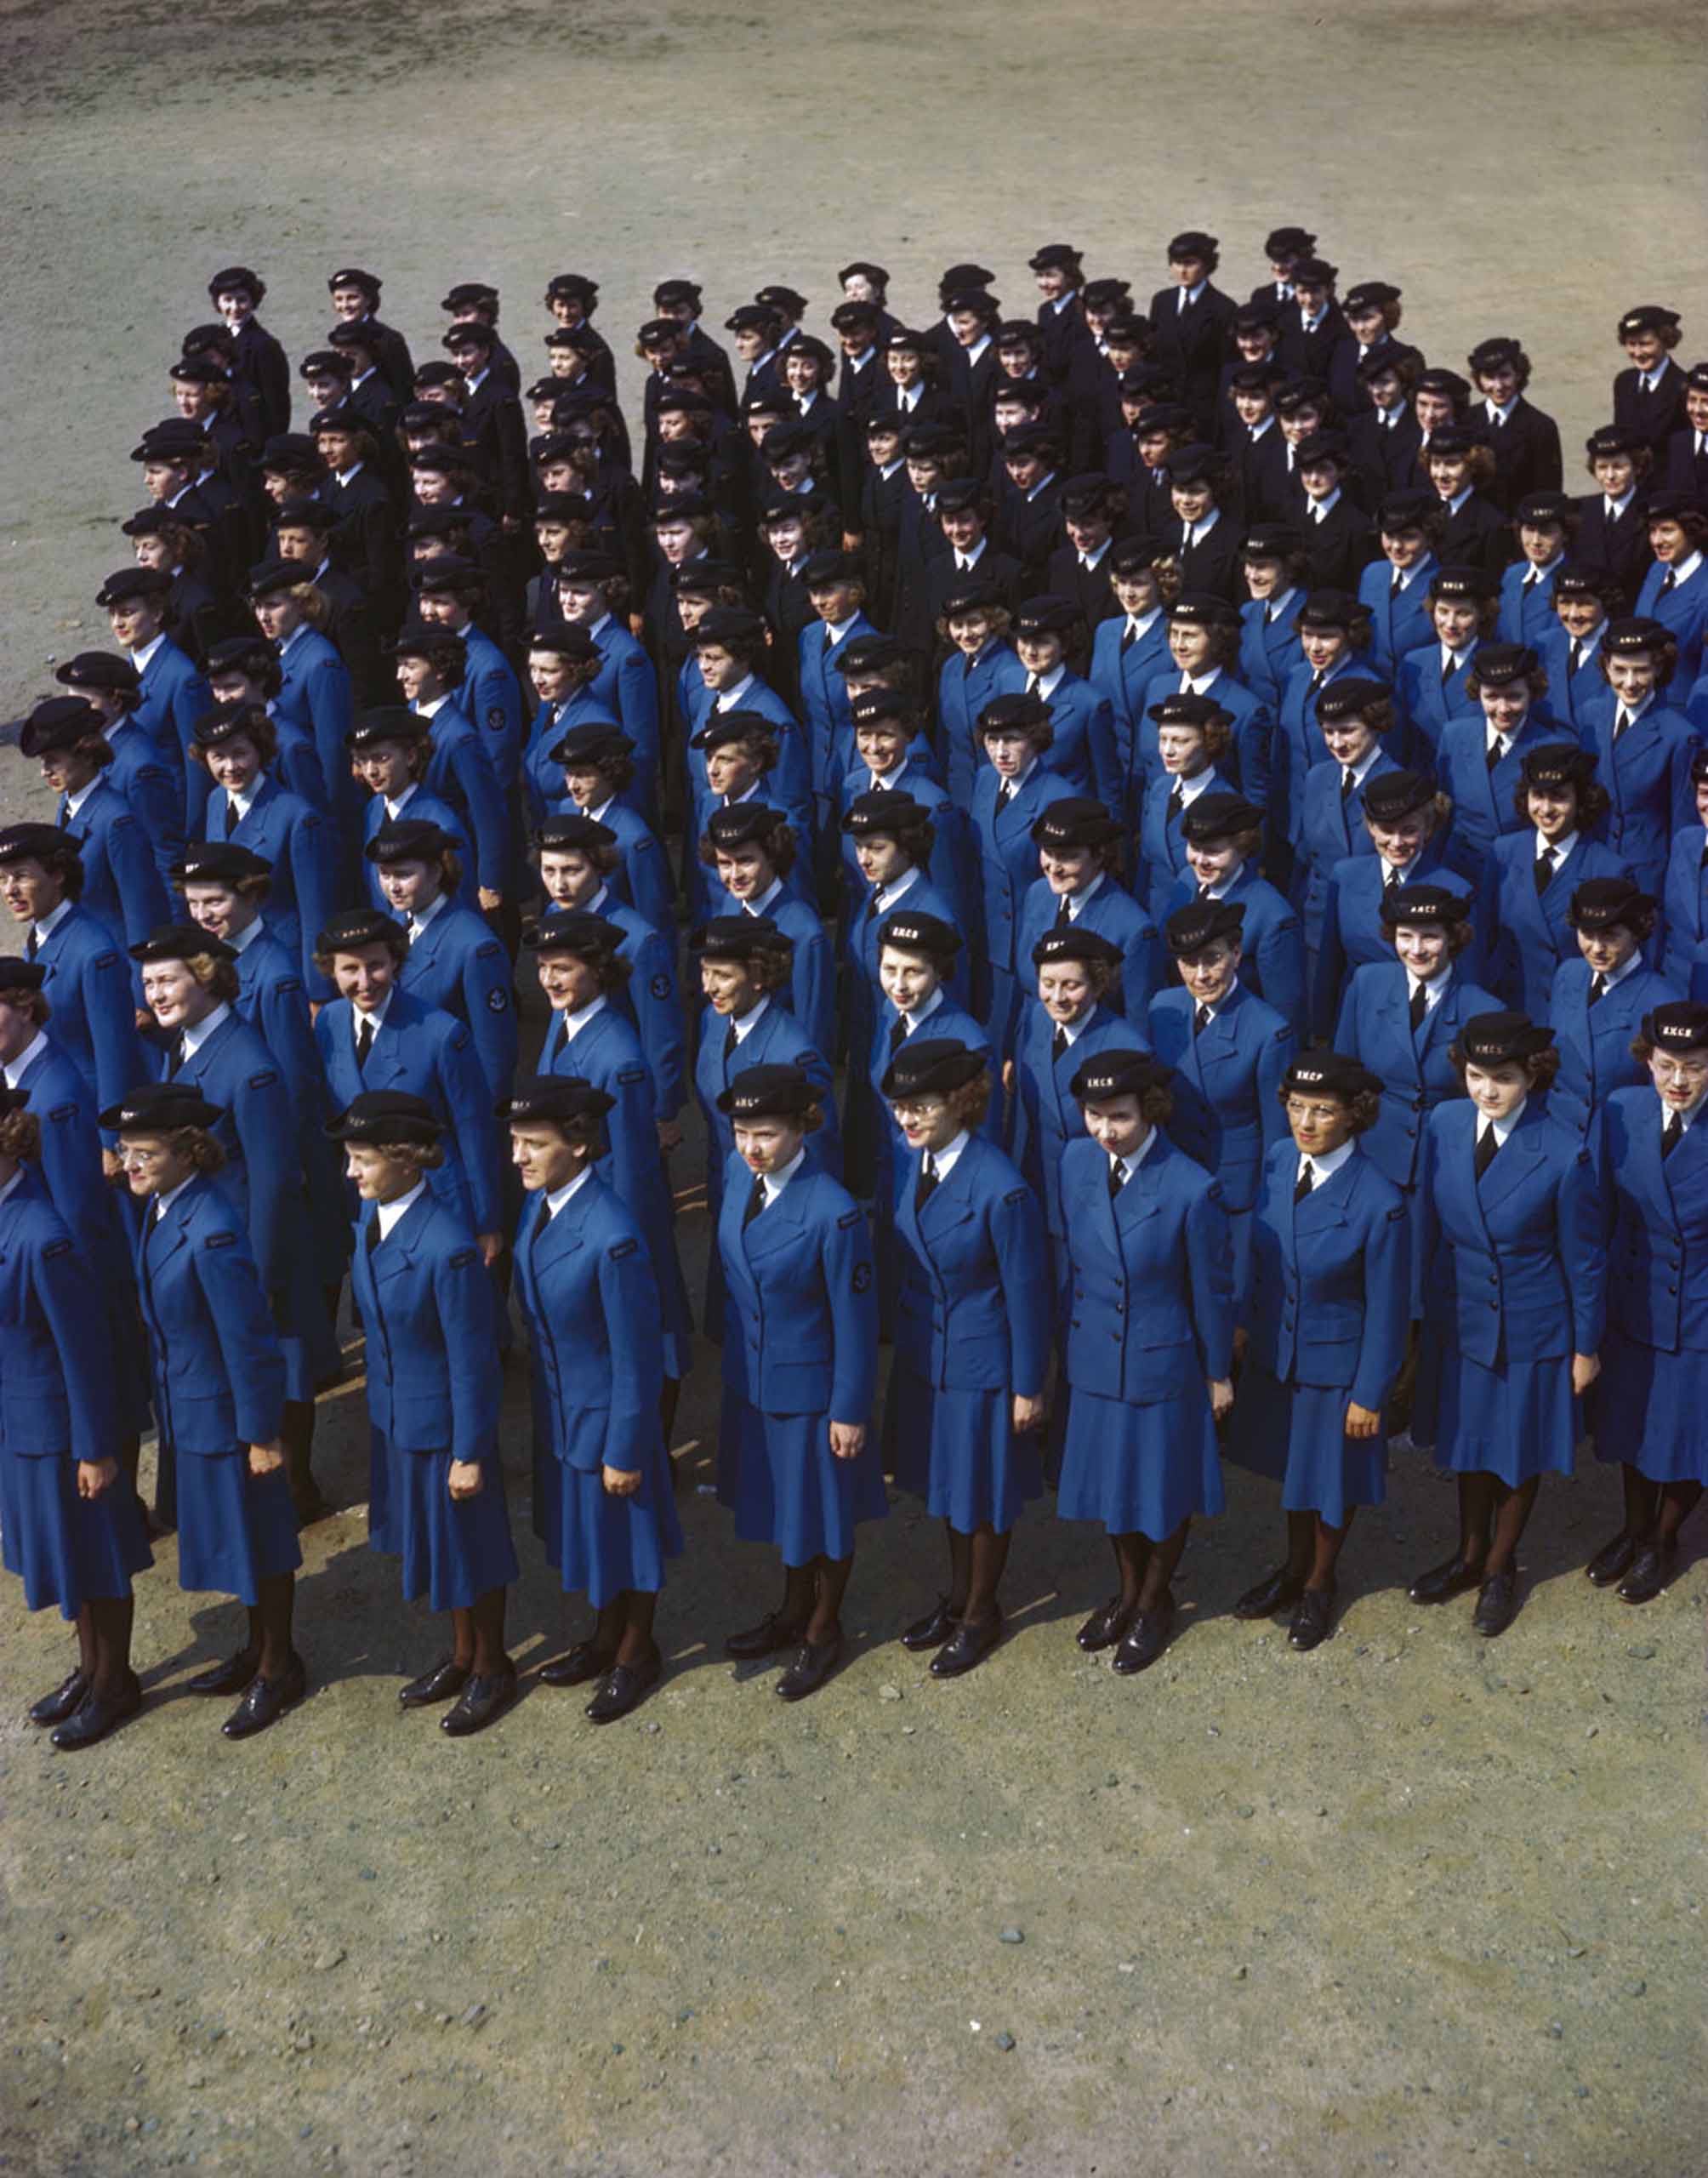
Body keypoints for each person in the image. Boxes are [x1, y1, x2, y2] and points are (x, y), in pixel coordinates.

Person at [107, 1081, 305, 1738]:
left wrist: (260, 1435)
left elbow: (250, 1342)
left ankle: (280, 1667)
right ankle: (256, 1651)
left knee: (262, 1542)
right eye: (125, 1151)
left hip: (226, 1416)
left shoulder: (213, 1231)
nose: (129, 1164)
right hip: (190, 1405)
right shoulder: (163, 1208)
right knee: (240, 1540)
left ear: (189, 1152)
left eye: (145, 1153)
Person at [131, 922, 337, 1520]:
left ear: (207, 978)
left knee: (279, 1366)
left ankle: (294, 1492)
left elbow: (274, 1178)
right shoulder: (186, 1045)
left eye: (167, 980)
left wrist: (264, 1277)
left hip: (253, 1247)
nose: (156, 995)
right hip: (212, 1245)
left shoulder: (249, 1066)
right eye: (148, 983)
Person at [1409, 1013, 1603, 1635]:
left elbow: (1584, 1258)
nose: (1488, 1091)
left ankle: (1500, 1566)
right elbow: (1425, 1225)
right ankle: (1468, 1555)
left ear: (1533, 1077)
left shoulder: (1564, 1150)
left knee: (1517, 1453)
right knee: (1468, 1444)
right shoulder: (1441, 1126)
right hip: (1461, 1316)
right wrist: (1419, 1315)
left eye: (1504, 1078)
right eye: (1475, 1076)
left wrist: (1586, 1346)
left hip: (1532, 1325)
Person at [334, 1092, 519, 1734]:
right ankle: (464, 1653)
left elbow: (474, 1361)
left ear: (408, 1162)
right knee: (443, 1552)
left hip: (445, 1429)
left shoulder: (447, 1249)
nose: (350, 1173)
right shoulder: (374, 1222)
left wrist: (469, 1452)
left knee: (471, 1550)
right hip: (400, 1418)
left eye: (362, 1160)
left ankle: (493, 1665)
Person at [504, 1076, 682, 1721]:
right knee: (599, 1540)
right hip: (565, 1411)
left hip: (608, 1420)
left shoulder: (612, 1236)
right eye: (516, 1143)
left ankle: (637, 1652)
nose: (519, 1157)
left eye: (534, 1144)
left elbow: (638, 1356)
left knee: (629, 1542)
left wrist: (628, 1446)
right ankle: (607, 1637)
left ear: (579, 1146)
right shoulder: (543, 1204)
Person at [1056, 1050, 1234, 1673]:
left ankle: (1156, 1602)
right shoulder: (1075, 1162)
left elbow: (1210, 1292)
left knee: (1159, 1492)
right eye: (1094, 1115)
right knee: (1113, 1488)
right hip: (1097, 1355)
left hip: (1162, 1362)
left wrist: (1218, 1374)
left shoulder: (1190, 1187)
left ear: (1151, 1111)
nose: (1105, 1131)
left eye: (1121, 1118)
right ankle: (1126, 1593)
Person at [1227, 1051, 1409, 1651]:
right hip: (1283, 1353)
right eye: (1297, 1107)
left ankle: (1318, 1584)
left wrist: (1369, 1394)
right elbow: (1260, 1250)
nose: (1305, 1122)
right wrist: (1243, 1321)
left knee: (1331, 1482)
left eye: (1323, 1111)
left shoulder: (1379, 1201)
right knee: (1295, 1473)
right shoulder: (1281, 1161)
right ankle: (1292, 1568)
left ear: (1354, 1117)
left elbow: (1387, 1310)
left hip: (1338, 1368)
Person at [883, 1038, 1049, 1679]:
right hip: (933, 1357)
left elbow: (1028, 1295)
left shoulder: (1000, 1189)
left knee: (983, 1495)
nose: (909, 1120)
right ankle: (957, 1599)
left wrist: (1029, 1386)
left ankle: (981, 1613)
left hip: (983, 1365)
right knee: (952, 1489)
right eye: (901, 1108)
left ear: (961, 1102)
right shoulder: (920, 1163)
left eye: (922, 1107)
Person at [715, 1063, 881, 1700]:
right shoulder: (740, 1176)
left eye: (766, 1134)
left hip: (814, 1393)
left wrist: (849, 1409)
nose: (752, 1147)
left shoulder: (833, 1213)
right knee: (788, 1509)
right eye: (740, 1132)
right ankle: (790, 1611)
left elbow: (856, 1322)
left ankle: (822, 1628)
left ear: (802, 1128)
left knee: (826, 1515)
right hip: (757, 1382)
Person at [0, 1087, 152, 1748]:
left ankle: (116, 1681)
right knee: (68, 1557)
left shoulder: (41, 1235)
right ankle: (90, 1668)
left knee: (98, 1556)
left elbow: (84, 1351)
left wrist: (96, 1447)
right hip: (23, 1424)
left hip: (65, 1430)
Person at [1589, 1001, 1708, 1604]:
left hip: (1699, 1310)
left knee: (1687, 1434)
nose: (1678, 1082)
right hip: (1633, 1300)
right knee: (1632, 1425)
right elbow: (1599, 1210)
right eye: (1666, 1066)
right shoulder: (1620, 1111)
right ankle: (1634, 1528)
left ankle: (1663, 1540)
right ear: (1647, 1062)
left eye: (1694, 1067)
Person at [313, 909, 504, 1261]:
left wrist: (486, 1221)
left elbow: (474, 1131)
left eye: (375, 965)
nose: (365, 981)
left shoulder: (442, 1034)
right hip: (365, 1203)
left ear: (396, 961)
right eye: (350, 969)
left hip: (434, 1205)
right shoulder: (329, 1022)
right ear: (331, 970)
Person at [1148, 900, 1296, 1305]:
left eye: (1212, 960)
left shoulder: (1269, 1032)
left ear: (1236, 953)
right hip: (1171, 1178)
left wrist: (1267, 1210)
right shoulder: (1163, 1008)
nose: (1201, 975)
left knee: (1226, 1304)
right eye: (1188, 962)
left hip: (1234, 1193)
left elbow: (1277, 1137)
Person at [367, 820, 517, 1106]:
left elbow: (495, 1052)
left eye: (403, 875)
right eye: (384, 875)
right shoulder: (399, 920)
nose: (392, 887)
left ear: (437, 872)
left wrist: (486, 1124)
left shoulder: (475, 946)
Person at [1478, 744, 1632, 1019]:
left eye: (1559, 797)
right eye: (1537, 796)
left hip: (1570, 1011)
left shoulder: (1608, 868)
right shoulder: (1503, 852)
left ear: (1581, 800)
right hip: (1511, 1004)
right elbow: (1485, 935)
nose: (1546, 809)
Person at [0, 824, 144, 1110]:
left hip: (85, 1111)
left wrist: (111, 1139)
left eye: (21, 877)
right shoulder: (40, 937)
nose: (9, 891)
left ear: (57, 875)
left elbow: (115, 1056)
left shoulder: (94, 953)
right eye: (2, 879)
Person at [1547, 880, 1680, 1144]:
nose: (1596, 948)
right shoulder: (1569, 974)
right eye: (1587, 934)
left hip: (1613, 1144)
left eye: (1610, 935)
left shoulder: (1662, 1000)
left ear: (1637, 931)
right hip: (1556, 1135)